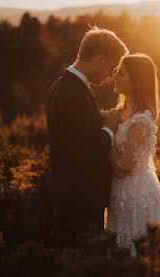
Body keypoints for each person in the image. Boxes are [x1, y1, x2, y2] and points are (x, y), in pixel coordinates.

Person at [45, 27, 128, 247]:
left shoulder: (61, 86)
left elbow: (75, 135)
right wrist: (109, 129)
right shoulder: (74, 94)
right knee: (84, 264)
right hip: (80, 199)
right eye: (111, 67)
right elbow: (84, 150)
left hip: (70, 195)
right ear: (99, 58)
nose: (110, 75)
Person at [105, 53, 160, 257]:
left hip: (136, 193)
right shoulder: (119, 113)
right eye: (116, 71)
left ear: (136, 81)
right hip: (120, 192)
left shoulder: (141, 121)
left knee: (136, 249)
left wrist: (107, 136)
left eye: (121, 73)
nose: (115, 76)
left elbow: (123, 169)